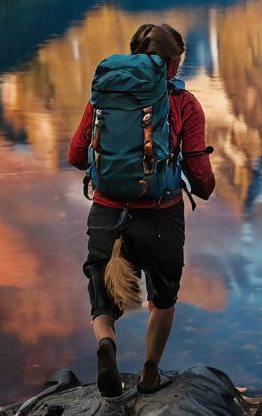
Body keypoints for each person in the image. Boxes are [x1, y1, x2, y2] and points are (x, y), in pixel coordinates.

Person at [68, 22, 215, 396]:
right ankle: (150, 372)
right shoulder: (184, 103)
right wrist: (205, 188)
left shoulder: (103, 97)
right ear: (169, 63)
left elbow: (74, 155)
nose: (178, 69)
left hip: (106, 210)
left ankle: (107, 346)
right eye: (178, 62)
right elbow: (197, 169)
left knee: (102, 294)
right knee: (163, 297)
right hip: (160, 214)